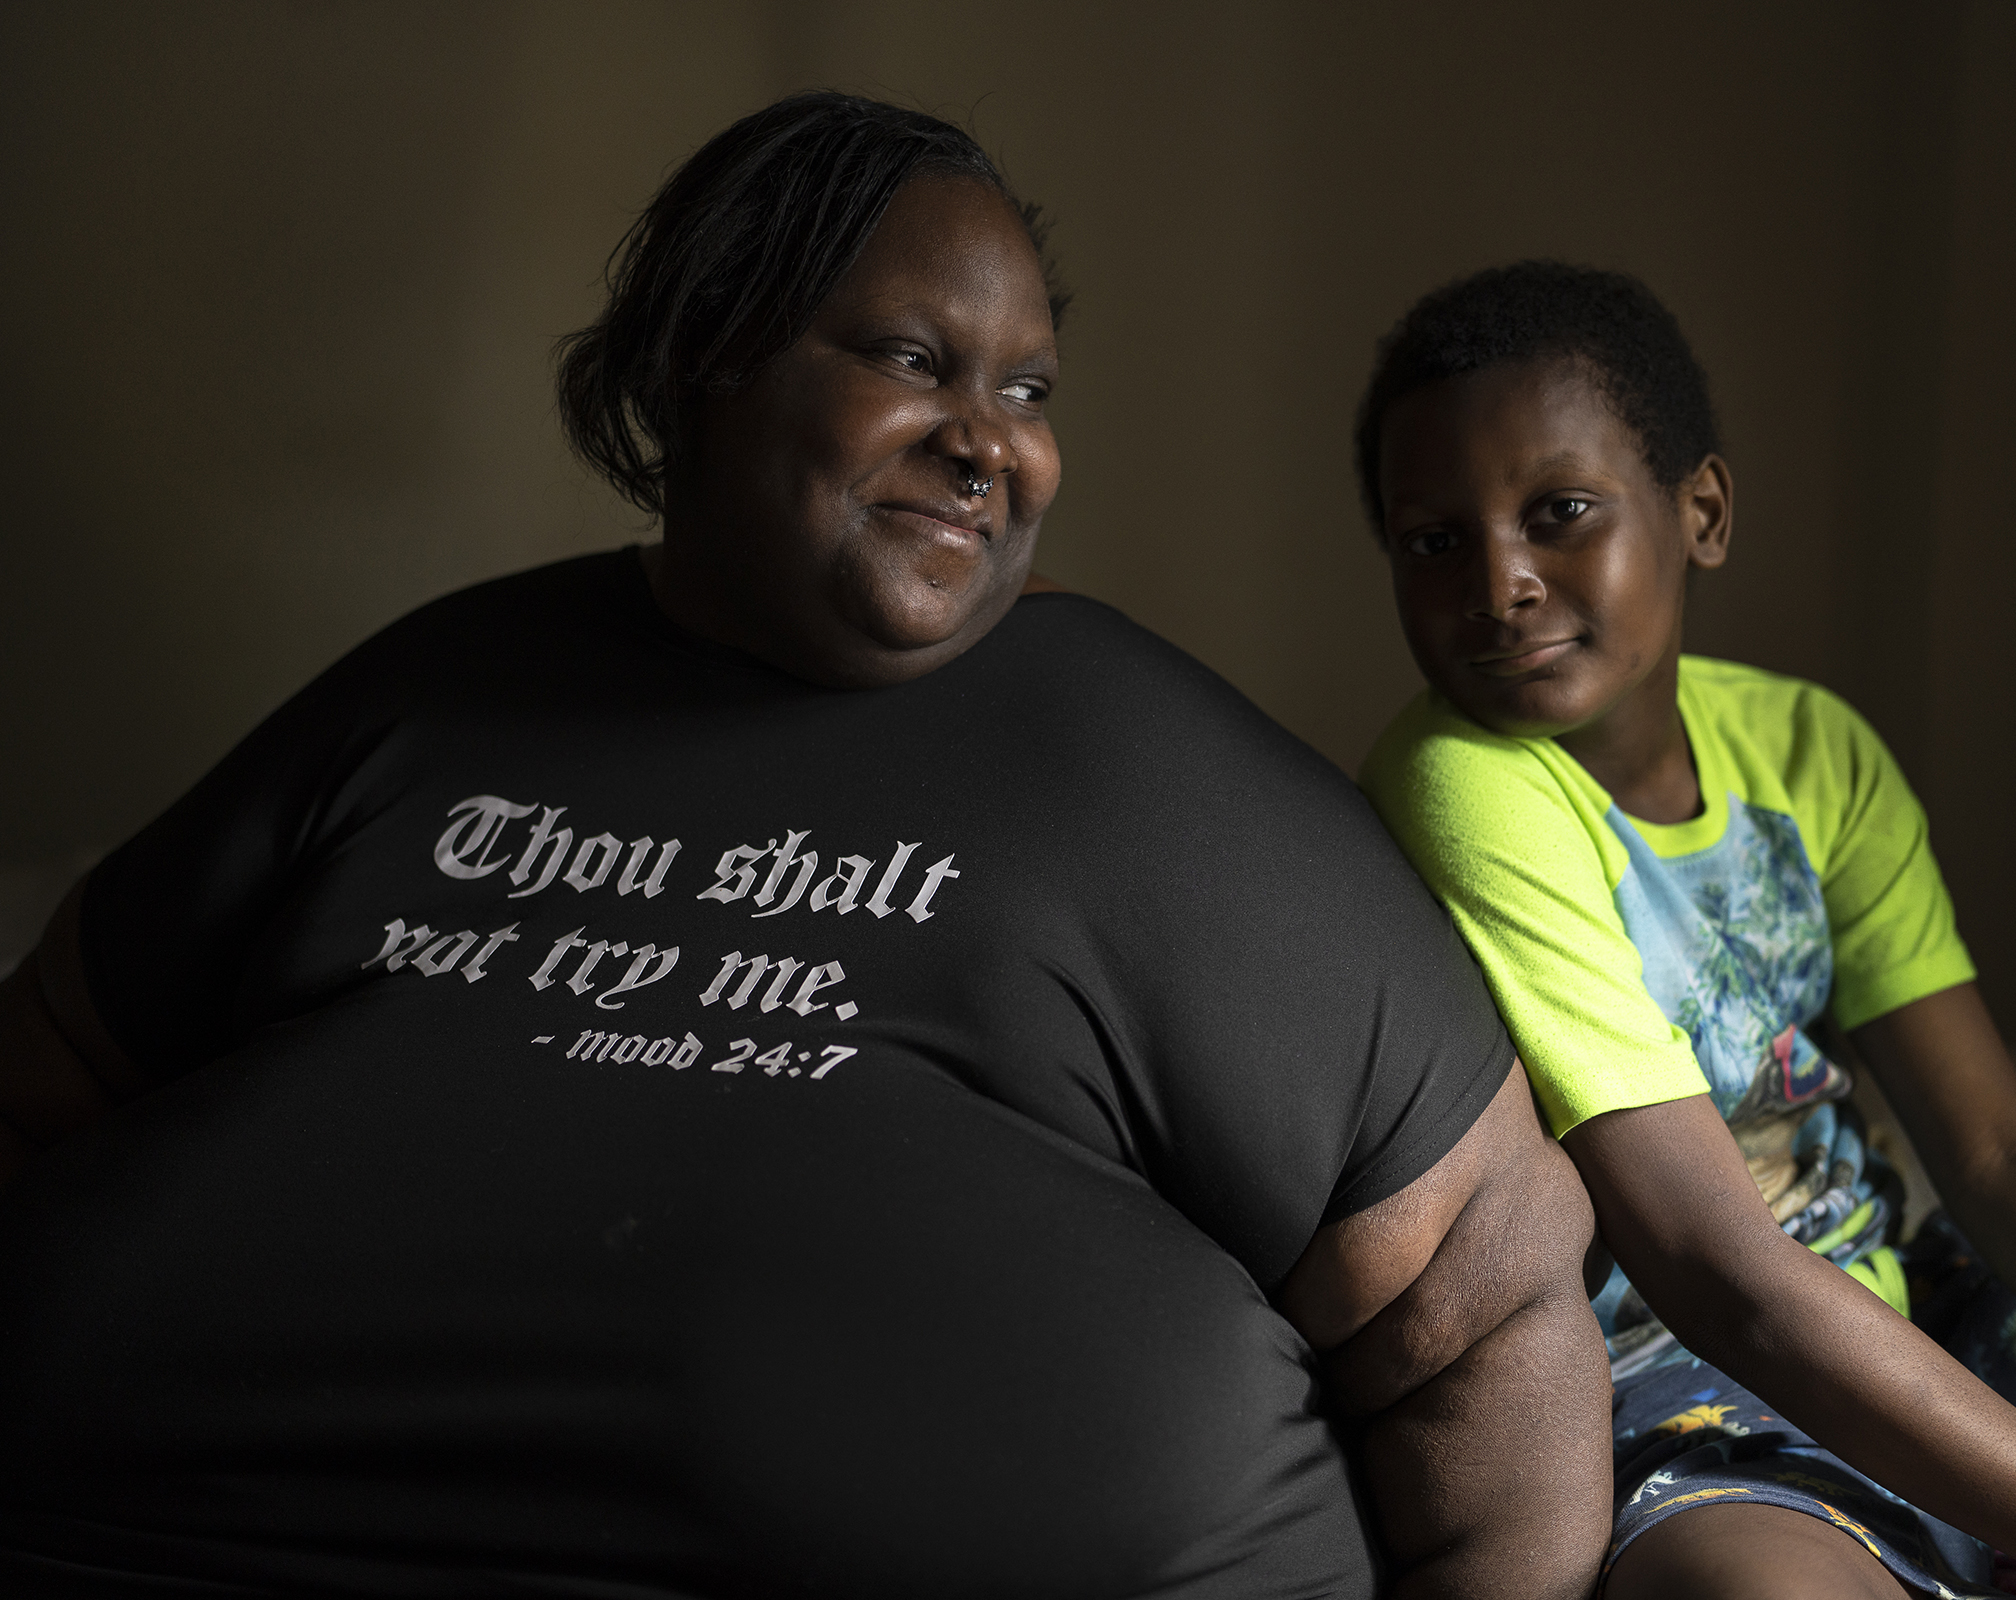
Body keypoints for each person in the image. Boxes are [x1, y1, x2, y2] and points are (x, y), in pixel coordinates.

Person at [0, 97, 1616, 1599]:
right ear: (707, 357)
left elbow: (1496, 1314)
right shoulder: (440, 688)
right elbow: (55, 1055)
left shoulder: (1152, 776)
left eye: (1030, 391)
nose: (990, 442)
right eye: (917, 359)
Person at [1351, 261, 2016, 1599]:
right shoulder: (1465, 782)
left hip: (1929, 1312)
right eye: (1433, 540)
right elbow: (1722, 1273)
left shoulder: (1811, 754)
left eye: (1559, 513)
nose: (1498, 581)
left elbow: (2003, 1150)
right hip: (1707, 1398)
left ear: (1702, 513)